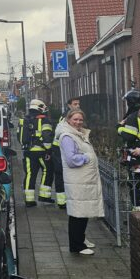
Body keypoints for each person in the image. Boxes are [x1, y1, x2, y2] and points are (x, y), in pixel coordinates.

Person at [55, 108, 102, 255]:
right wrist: (87, 158)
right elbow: (71, 160)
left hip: (83, 180)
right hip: (78, 180)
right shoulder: (68, 136)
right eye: (75, 119)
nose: (78, 122)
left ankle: (80, 239)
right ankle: (76, 245)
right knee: (77, 214)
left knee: (82, 212)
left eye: (80, 120)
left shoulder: (77, 134)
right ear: (68, 120)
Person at [118, 88, 140, 208]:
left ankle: (139, 210)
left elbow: (129, 136)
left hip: (135, 155)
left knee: (135, 182)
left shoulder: (133, 117)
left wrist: (119, 128)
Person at [21, 99, 54, 207]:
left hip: (28, 152)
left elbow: (20, 136)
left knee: (30, 174)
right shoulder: (44, 120)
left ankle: (29, 200)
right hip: (41, 152)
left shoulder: (24, 119)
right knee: (47, 171)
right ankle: (44, 196)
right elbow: (47, 137)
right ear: (40, 107)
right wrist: (49, 150)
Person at [50, 97, 81, 209]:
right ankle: (62, 201)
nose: (77, 106)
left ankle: (67, 199)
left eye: (78, 104)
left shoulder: (75, 116)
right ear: (69, 105)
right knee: (60, 174)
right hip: (59, 149)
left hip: (65, 148)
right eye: (75, 104)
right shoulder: (66, 117)